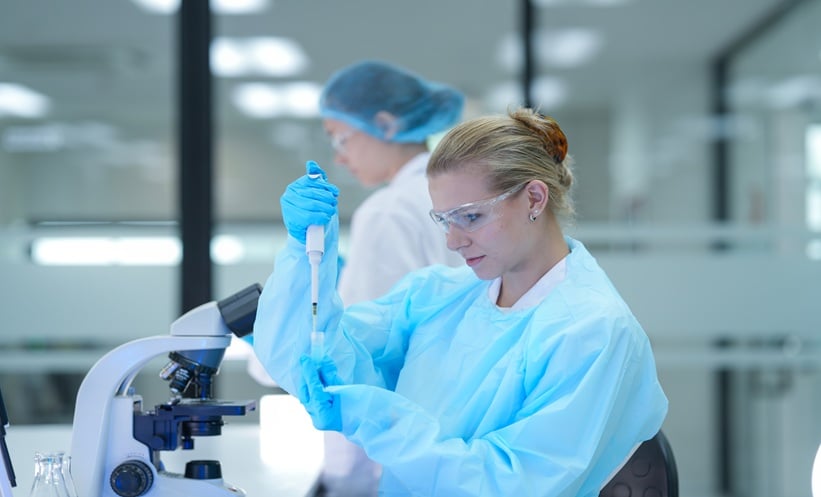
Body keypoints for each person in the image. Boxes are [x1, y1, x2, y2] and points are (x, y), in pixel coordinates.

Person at [252, 107, 668, 496]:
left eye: (470, 217)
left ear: (535, 199)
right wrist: (303, 257)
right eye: (445, 220)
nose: (453, 242)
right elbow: (311, 359)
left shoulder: (590, 330)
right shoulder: (437, 297)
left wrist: (380, 419)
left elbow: (505, 483)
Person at [313, 60, 465, 495]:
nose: (340, 156)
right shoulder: (451, 193)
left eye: (340, 136)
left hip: (404, 434)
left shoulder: (388, 210)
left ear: (385, 123)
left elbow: (360, 354)